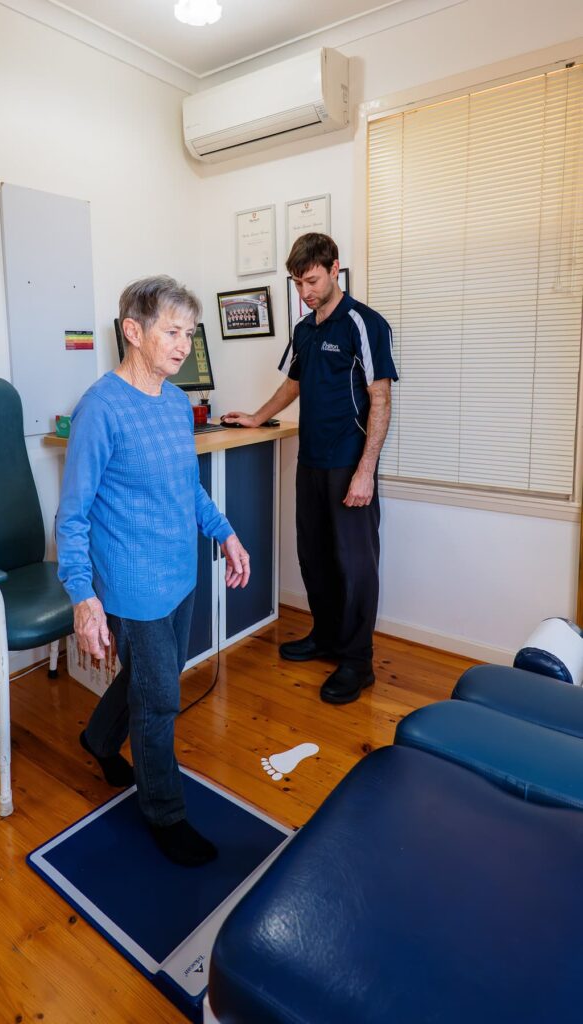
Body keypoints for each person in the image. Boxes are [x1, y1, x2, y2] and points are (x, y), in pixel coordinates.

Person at [56, 276, 250, 867]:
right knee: (161, 698)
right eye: (172, 331)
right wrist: (83, 598)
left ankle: (98, 738)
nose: (184, 345)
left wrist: (225, 533)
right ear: (133, 331)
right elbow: (72, 515)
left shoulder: (174, 403)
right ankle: (164, 812)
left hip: (180, 573)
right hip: (133, 584)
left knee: (148, 677)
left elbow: (187, 487)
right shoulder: (100, 409)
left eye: (189, 333)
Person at [223, 233, 397, 705]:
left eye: (313, 281)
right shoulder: (305, 329)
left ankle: (358, 661)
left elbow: (381, 397)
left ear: (334, 268)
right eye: (298, 283)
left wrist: (366, 470)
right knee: (314, 555)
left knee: (355, 563)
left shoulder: (365, 323)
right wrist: (257, 417)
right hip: (311, 461)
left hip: (349, 464)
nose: (305, 292)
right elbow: (293, 384)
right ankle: (326, 636)